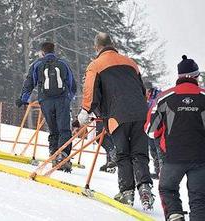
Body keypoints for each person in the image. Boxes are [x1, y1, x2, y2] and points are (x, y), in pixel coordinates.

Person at [77, 32, 154, 210]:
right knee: (140, 153)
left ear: (96, 47)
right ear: (113, 44)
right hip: (140, 113)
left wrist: (85, 111)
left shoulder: (95, 65)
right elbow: (142, 90)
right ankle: (145, 188)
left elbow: (90, 90)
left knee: (123, 154)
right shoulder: (130, 62)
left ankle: (127, 192)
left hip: (117, 115)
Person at [145, 55, 205, 221]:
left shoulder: (164, 98)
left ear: (178, 77)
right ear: (196, 76)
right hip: (201, 158)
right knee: (199, 198)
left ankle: (175, 216)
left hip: (173, 157)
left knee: (167, 188)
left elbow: (150, 130)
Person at [16, 42, 77, 172]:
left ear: (42, 52)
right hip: (62, 100)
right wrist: (69, 98)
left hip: (46, 101)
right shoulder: (63, 63)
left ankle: (53, 154)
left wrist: (23, 99)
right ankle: (63, 156)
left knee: (53, 128)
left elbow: (29, 83)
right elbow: (72, 84)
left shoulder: (37, 64)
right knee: (64, 129)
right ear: (54, 51)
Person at [144, 81, 163, 179]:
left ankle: (162, 171)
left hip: (158, 126)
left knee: (158, 148)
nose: (146, 93)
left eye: (147, 91)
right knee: (152, 149)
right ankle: (157, 170)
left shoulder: (158, 96)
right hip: (149, 126)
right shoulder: (144, 97)